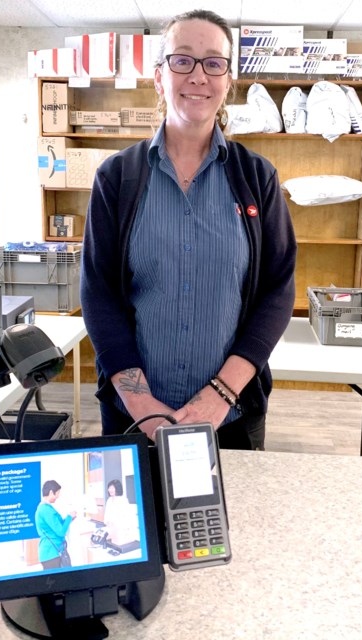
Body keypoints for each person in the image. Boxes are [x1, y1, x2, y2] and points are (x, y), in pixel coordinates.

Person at [80, 9, 297, 450]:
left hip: (229, 417)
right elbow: (98, 294)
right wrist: (144, 407)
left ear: (227, 81)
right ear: (160, 77)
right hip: (133, 416)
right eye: (182, 60)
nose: (198, 75)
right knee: (130, 518)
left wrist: (220, 395)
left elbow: (278, 290)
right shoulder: (117, 178)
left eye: (213, 62)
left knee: (229, 521)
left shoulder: (257, 179)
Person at [35, 479, 76, 569]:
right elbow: (61, 532)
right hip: (51, 553)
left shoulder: (44, 508)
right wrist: (69, 517)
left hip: (52, 552)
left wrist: (69, 519)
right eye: (57, 493)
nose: (58, 496)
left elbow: (56, 524)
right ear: (51, 492)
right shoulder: (46, 510)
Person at [101, 479, 128, 544]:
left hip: (120, 529)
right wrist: (107, 522)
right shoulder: (109, 500)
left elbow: (125, 516)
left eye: (112, 488)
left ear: (117, 488)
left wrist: (114, 524)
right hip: (110, 527)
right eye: (109, 488)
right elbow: (106, 514)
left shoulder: (123, 500)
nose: (110, 490)